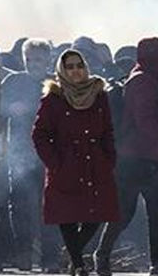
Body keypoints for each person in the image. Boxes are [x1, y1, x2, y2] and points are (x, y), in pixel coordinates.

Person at [32, 50, 120, 276]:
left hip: (95, 163)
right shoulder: (53, 98)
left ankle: (73, 254)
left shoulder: (98, 94)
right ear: (63, 70)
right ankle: (79, 265)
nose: (75, 71)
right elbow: (40, 134)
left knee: (98, 213)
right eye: (69, 66)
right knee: (68, 215)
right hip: (66, 164)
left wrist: (109, 156)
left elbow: (108, 130)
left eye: (79, 65)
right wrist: (55, 162)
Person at [94, 38, 158, 276]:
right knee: (140, 211)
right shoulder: (144, 82)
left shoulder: (143, 77)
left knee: (144, 211)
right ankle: (107, 256)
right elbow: (145, 120)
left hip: (133, 156)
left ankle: (152, 262)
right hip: (140, 157)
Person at [3, 38, 61, 272]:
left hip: (51, 156)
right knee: (19, 207)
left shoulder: (57, 84)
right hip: (20, 155)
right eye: (29, 59)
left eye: (38, 59)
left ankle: (50, 260)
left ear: (48, 60)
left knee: (52, 208)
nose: (33, 64)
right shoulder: (13, 82)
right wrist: (11, 108)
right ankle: (24, 256)